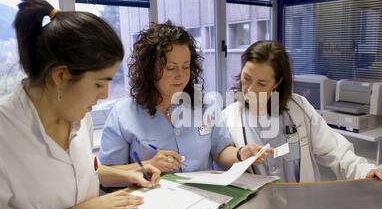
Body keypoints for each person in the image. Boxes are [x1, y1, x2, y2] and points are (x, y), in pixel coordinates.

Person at [0, 0, 161, 209]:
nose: (105, 95)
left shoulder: (78, 116)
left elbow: (83, 170)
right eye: (99, 84)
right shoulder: (6, 135)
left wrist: (129, 173)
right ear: (61, 76)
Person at [99, 21, 270, 173]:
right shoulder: (123, 114)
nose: (181, 76)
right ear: (149, 69)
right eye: (171, 68)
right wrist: (147, 164)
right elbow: (105, 174)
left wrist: (241, 153)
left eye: (186, 66)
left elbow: (220, 151)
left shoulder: (206, 105)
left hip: (204, 201)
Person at [222, 40, 382, 183]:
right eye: (246, 78)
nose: (250, 89)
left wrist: (366, 170)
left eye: (261, 84)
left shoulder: (299, 108)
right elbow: (222, 165)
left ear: (277, 83)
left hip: (298, 207)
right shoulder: (229, 117)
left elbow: (334, 149)